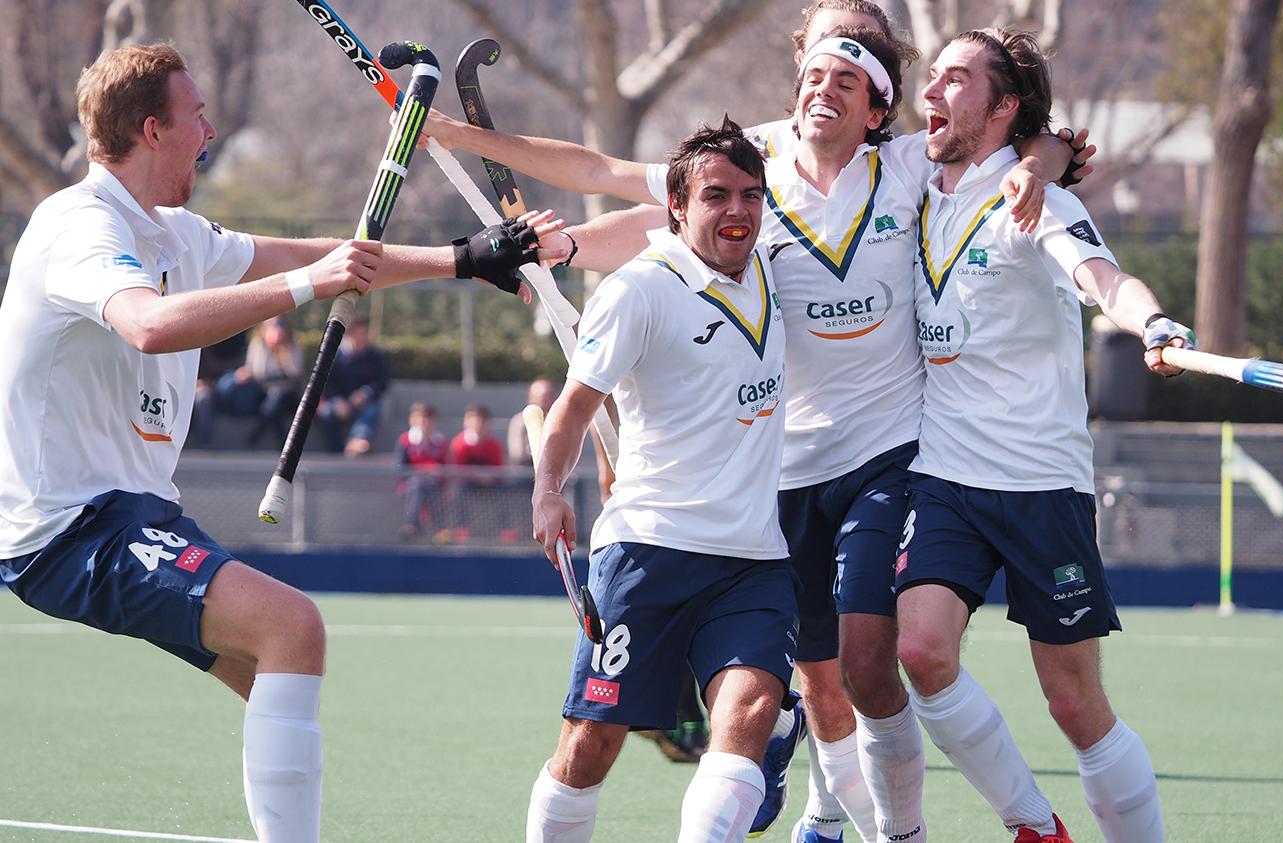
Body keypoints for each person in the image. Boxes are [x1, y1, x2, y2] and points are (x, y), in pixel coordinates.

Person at [422, 11, 1086, 840]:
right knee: (818, 684)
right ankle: (815, 798)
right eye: (815, 59)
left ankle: (908, 829)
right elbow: (615, 182)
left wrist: (1047, 154)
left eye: (848, 65)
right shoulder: (756, 164)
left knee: (872, 662)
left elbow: (1025, 138)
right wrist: (474, 168)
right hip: (780, 479)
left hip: (886, 455)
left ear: (878, 94)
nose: (822, 79)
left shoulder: (907, 161)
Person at [0, 43, 562, 843]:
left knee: (273, 668)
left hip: (138, 514)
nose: (212, 128)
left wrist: (462, 261)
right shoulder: (80, 225)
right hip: (68, 528)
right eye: (199, 117)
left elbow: (320, 257)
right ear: (154, 130)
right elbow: (150, 324)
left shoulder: (174, 232)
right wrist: (309, 288)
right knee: (292, 628)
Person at [878, 29, 1190, 843]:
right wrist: (1049, 148)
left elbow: (1104, 279)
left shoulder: (1041, 200)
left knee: (1074, 704)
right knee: (921, 649)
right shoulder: (910, 181)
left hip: (1043, 483)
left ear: (1003, 105)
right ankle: (1034, 824)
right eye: (932, 77)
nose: (933, 91)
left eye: (955, 79)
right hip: (944, 474)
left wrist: (1153, 321)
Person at [527, 119, 795, 842]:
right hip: (649, 550)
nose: (737, 210)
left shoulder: (773, 265)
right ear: (677, 208)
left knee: (745, 718)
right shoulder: (639, 291)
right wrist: (549, 488)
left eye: (750, 195)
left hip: (753, 560)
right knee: (589, 746)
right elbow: (572, 409)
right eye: (716, 196)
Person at [211, 316, 304, 447]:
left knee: (278, 398)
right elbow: (258, 372)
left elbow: (294, 373)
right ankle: (282, 443)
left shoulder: (292, 346)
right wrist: (269, 348)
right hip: (264, 389)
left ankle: (257, 434)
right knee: (274, 403)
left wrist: (283, 352)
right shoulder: (258, 344)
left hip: (287, 391)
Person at [317, 314, 388, 456]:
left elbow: (382, 382)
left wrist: (365, 393)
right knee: (327, 413)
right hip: (337, 402)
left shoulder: (375, 356)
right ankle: (336, 452)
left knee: (372, 411)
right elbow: (324, 383)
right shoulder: (334, 356)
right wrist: (337, 401)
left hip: (363, 402)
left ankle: (357, 441)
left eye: (365, 334)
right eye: (358, 334)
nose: (362, 338)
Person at [447, 402, 505, 543]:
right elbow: (457, 470)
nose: (477, 423)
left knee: (505, 491)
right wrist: (477, 476)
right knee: (458, 491)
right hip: (466, 484)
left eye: (481, 419)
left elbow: (499, 468)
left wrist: (489, 478)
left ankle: (506, 529)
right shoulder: (459, 443)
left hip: (490, 484)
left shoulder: (494, 444)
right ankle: (462, 528)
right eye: (473, 418)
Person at [394, 401, 447, 540]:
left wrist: (437, 472)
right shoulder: (405, 440)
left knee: (433, 489)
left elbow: (445, 467)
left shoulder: (440, 442)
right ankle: (412, 526)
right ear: (411, 419)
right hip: (410, 484)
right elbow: (399, 467)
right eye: (419, 417)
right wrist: (419, 472)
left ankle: (439, 530)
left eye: (428, 417)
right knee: (417, 486)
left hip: (433, 484)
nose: (424, 421)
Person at [508, 377, 559, 465]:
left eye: (548, 396)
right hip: (525, 470)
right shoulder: (519, 421)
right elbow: (517, 453)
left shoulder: (558, 420)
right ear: (530, 398)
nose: (543, 400)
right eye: (540, 396)